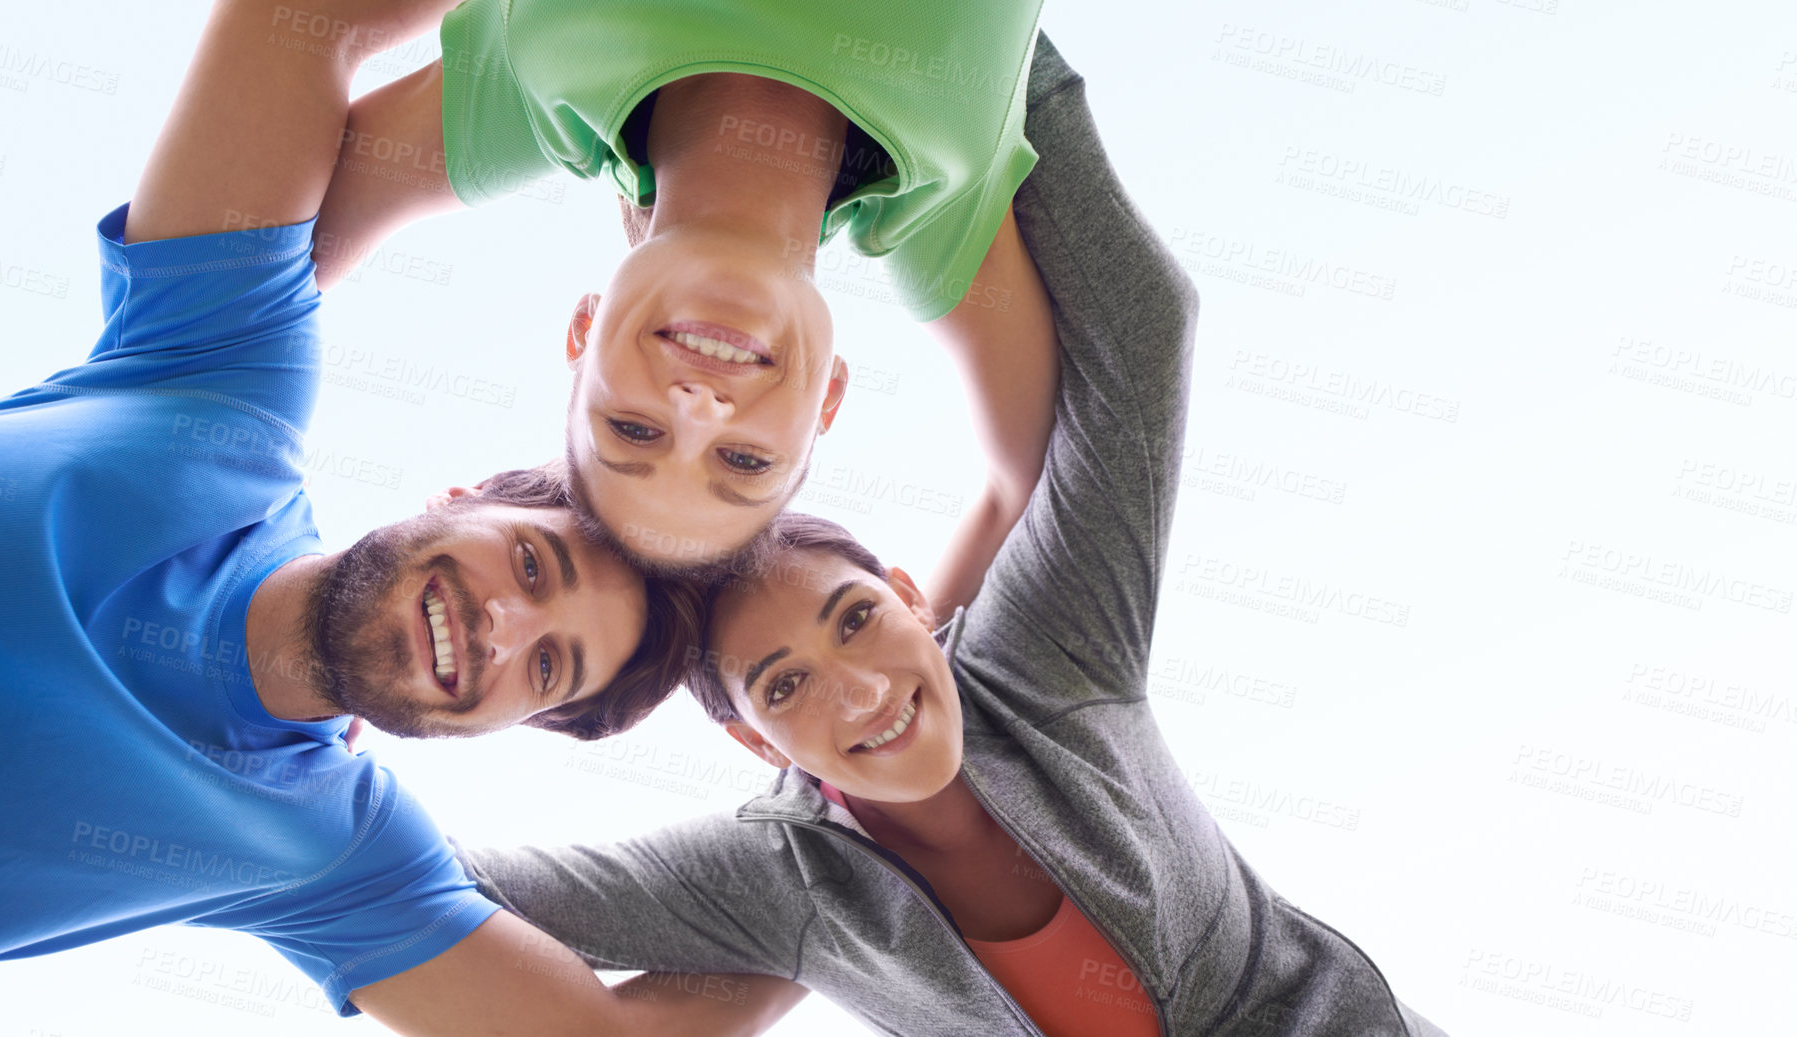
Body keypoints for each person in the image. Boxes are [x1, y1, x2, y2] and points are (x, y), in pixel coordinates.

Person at [455, 38, 1449, 1036]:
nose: (863, 689)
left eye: (854, 620)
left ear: (908, 594)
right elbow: (481, 893)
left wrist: (1001, 56)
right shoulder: (784, 877)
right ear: (757, 740)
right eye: (783, 685)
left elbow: (1144, 331)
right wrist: (322, 692)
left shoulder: (1041, 659)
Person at [0, 2, 804, 1032]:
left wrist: (854, 853)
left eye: (548, 668)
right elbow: (294, 22)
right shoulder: (222, 390)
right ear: (459, 498)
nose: (504, 628)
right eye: (533, 567)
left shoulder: (326, 849)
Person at [307, 0, 1064, 608]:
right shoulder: (937, 195)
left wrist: (340, 610)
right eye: (743, 460)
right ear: (829, 394)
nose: (699, 408)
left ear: (582, 331)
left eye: (633, 429)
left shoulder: (549, 77)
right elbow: (1020, 482)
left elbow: (249, 255)